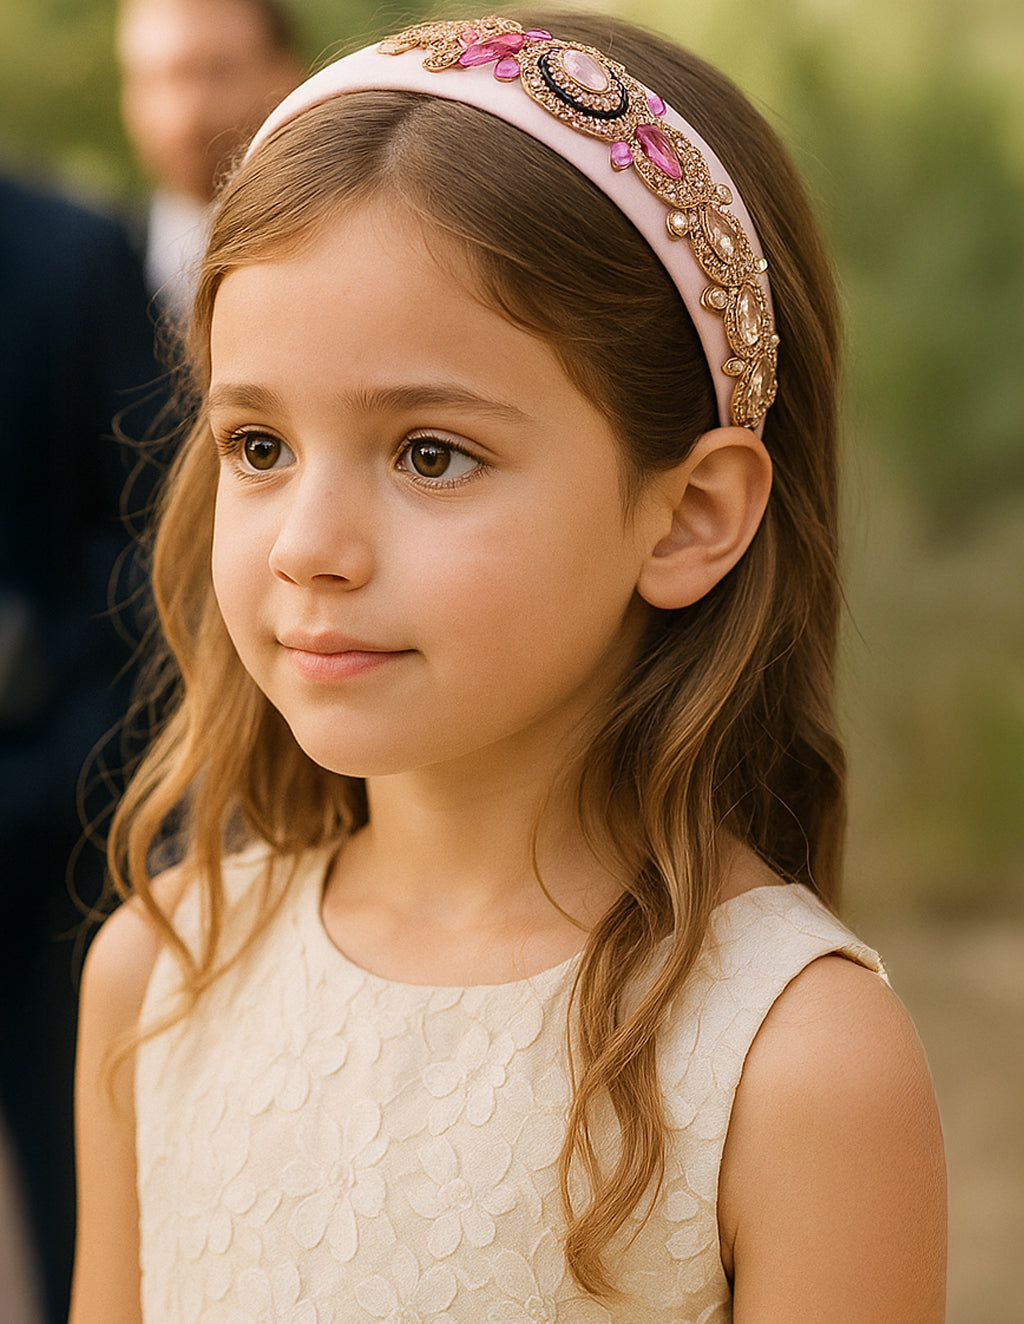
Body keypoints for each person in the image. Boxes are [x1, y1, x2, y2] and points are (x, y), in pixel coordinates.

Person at [71, 11, 947, 1321]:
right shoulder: (161, 972)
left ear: (691, 513)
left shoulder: (795, 1064)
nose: (309, 546)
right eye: (260, 446)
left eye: (431, 454)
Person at [0, 170, 165, 1323]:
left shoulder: (72, 253)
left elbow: (153, 538)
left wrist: (56, 765)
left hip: (40, 828)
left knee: (82, 1191)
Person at [116, 0, 303, 320]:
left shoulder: (339, 253)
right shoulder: (91, 269)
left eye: (217, 73)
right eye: (156, 79)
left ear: (287, 75)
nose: (187, 116)